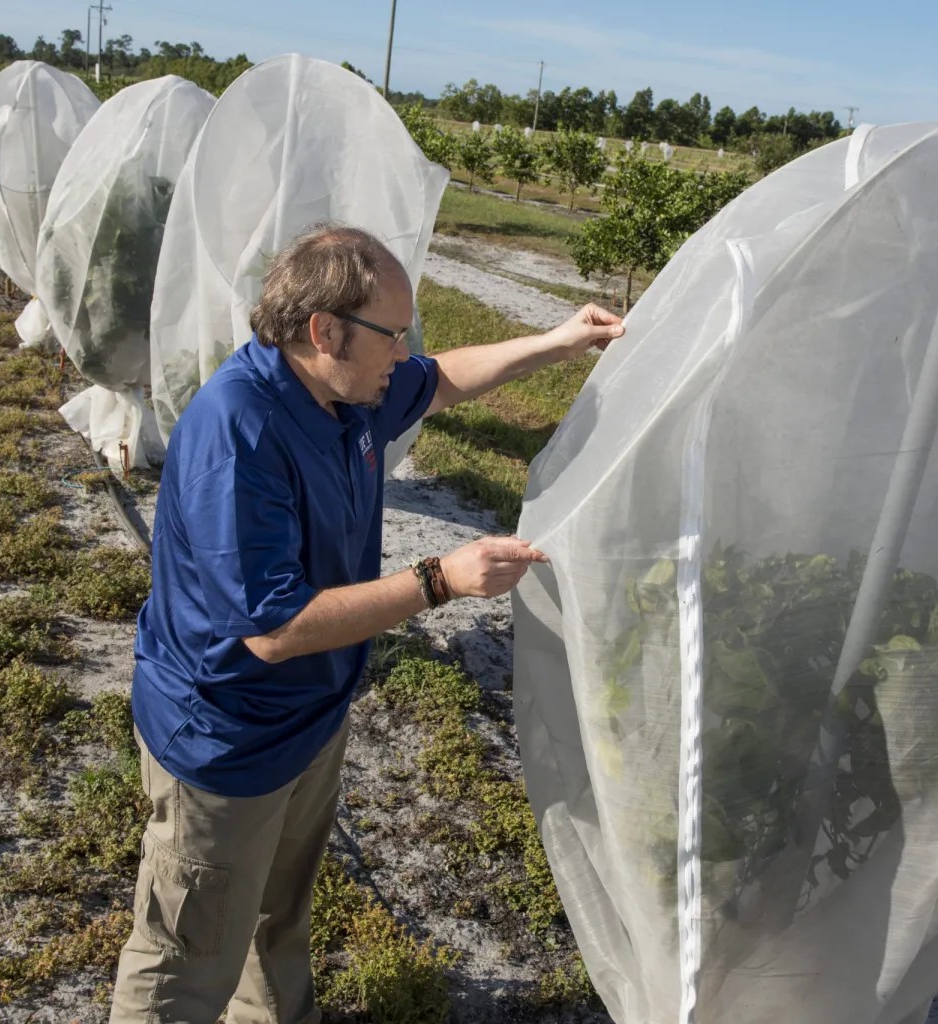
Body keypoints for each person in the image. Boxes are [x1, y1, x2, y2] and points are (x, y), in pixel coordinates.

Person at [109, 223, 624, 1023]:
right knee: (188, 954)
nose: (405, 351)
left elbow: (443, 379)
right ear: (324, 330)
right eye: (393, 335)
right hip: (228, 740)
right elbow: (274, 629)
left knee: (278, 913)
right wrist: (440, 579)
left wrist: (559, 342)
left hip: (308, 719)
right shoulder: (240, 435)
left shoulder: (345, 395)